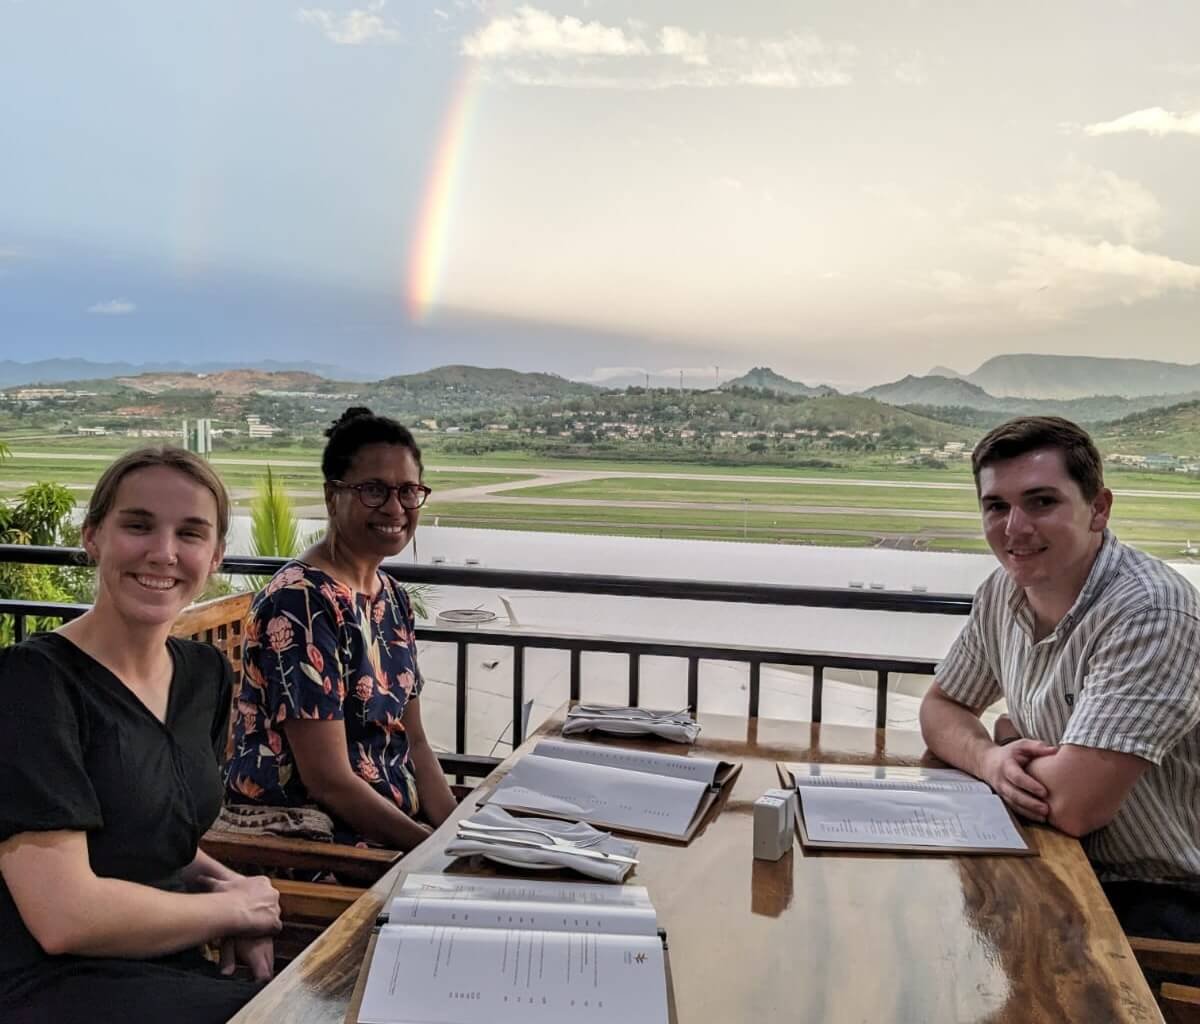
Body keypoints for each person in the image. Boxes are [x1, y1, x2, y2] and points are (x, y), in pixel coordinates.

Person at [0, 447, 282, 1024]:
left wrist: (234, 890)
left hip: (163, 960)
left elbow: (148, 832)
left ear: (217, 555)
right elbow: (64, 916)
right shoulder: (32, 684)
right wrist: (230, 914)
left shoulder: (204, 675)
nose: (164, 553)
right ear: (93, 537)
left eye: (191, 533)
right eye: (138, 525)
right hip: (52, 983)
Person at [919, 416, 1200, 943]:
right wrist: (992, 757)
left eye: (1041, 502)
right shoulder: (1002, 594)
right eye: (996, 506)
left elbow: (1073, 806)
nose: (1014, 528)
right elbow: (940, 708)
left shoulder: (1151, 610)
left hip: (1157, 895)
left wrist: (1006, 738)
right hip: (1051, 856)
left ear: (1099, 510)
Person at [225, 407, 456, 850]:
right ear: (333, 496)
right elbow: (328, 782)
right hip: (319, 842)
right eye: (373, 490)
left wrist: (458, 837)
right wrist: (430, 852)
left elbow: (417, 742)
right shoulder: (302, 602)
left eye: (408, 491)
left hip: (390, 832)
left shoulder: (391, 596)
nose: (394, 507)